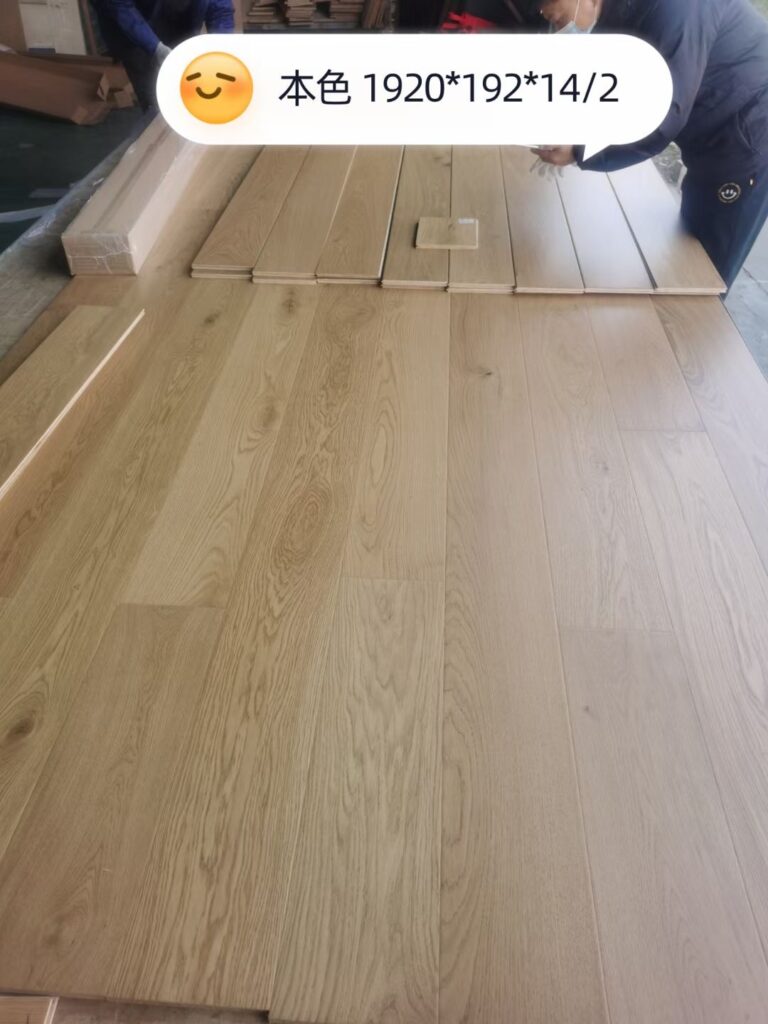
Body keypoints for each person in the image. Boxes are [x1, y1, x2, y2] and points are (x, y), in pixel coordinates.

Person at [533, 0, 768, 289]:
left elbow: (663, 113)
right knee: (688, 241)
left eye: (558, 19)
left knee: (706, 269)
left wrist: (581, 150)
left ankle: (697, 316)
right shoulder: (619, 13)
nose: (560, 29)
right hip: (709, 132)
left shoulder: (677, 8)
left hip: (748, 136)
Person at [92, 0, 235, 111]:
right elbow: (120, 6)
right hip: (132, 27)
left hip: (179, 19)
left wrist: (219, 47)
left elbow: (221, 9)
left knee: (188, 83)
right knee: (153, 92)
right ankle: (156, 121)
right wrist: (154, 47)